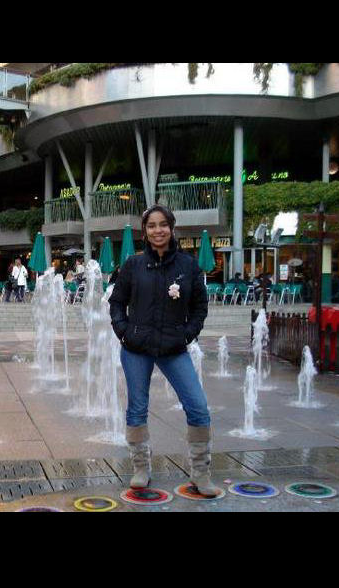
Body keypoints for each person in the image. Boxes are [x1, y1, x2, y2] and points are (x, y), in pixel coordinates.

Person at [109, 204, 218, 496]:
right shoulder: (133, 265)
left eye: (163, 225)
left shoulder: (188, 265)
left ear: (171, 228)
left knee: (198, 407)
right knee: (137, 408)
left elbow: (200, 306)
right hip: (136, 348)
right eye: (151, 226)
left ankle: (201, 472)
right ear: (145, 231)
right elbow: (117, 302)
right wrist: (124, 331)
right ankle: (141, 467)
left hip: (173, 347)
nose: (158, 230)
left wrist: (187, 334)